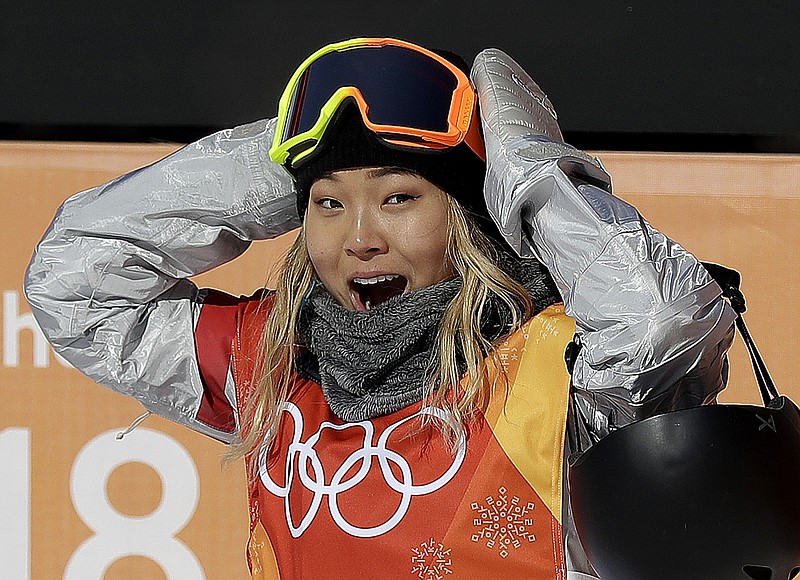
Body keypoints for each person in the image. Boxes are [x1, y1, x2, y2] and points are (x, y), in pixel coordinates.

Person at [24, 38, 736, 579]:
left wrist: (526, 167)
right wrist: (282, 159)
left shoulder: (562, 367)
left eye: (399, 197)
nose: (360, 238)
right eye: (328, 205)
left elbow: (661, 321)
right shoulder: (274, 358)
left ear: (470, 214)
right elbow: (74, 278)